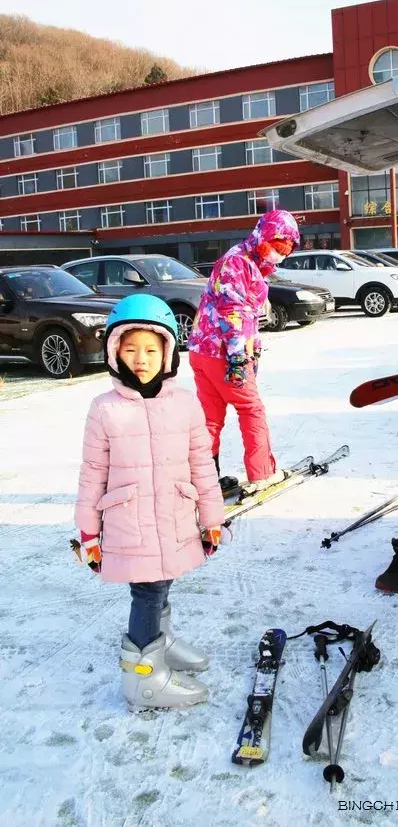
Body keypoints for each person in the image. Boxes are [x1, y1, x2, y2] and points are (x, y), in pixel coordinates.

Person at [74, 294, 225, 710]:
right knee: (147, 592)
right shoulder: (104, 409)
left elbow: (202, 463)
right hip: (130, 524)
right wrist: (88, 532)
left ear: (168, 352)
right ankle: (143, 676)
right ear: (114, 352)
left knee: (162, 584)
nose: (141, 358)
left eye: (151, 349)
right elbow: (92, 473)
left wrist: (212, 518)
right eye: (130, 348)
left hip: (174, 518)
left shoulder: (185, 403)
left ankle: (161, 641)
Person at [188, 209, 300, 495]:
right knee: (251, 409)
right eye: (277, 246)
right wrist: (239, 357)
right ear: (263, 237)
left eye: (285, 249)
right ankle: (262, 472)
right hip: (223, 353)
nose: (280, 254)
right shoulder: (238, 262)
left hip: (205, 349)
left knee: (210, 417)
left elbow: (247, 314)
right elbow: (233, 310)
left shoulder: (247, 261)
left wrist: (255, 349)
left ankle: (205, 481)